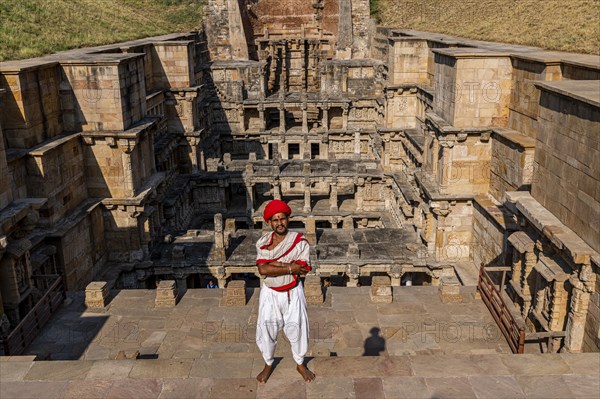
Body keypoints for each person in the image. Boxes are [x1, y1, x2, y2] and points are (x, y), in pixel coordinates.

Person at [255, 199, 316, 384]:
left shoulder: (299, 241)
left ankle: (300, 363)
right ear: (269, 223)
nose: (279, 223)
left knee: (298, 329)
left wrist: (275, 264)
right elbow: (263, 270)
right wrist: (289, 267)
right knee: (266, 330)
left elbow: (303, 268)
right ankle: (268, 363)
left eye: (282, 218)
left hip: (293, 292)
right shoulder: (263, 242)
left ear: (288, 219)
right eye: (275, 220)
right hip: (270, 292)